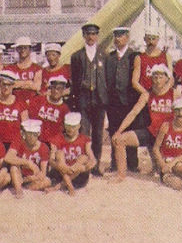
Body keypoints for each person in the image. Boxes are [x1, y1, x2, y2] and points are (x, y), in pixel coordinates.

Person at [110, 64, 174, 181]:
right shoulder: (147, 95)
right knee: (119, 140)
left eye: (160, 77)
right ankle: (121, 175)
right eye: (155, 77)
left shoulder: (174, 94)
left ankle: (159, 166)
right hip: (151, 133)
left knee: (166, 172)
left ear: (167, 78)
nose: (158, 80)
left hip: (168, 136)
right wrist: (119, 131)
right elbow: (133, 113)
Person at [69, 23, 108, 175]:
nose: (91, 37)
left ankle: (96, 164)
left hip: (99, 100)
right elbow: (74, 79)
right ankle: (84, 164)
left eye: (94, 34)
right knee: (84, 133)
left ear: (97, 36)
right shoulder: (76, 56)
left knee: (98, 133)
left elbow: (107, 79)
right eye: (88, 34)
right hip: (83, 100)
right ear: (83, 36)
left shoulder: (104, 55)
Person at [105, 26, 139, 172]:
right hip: (113, 103)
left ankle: (132, 164)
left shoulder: (134, 56)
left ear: (127, 37)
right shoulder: (109, 58)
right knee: (114, 131)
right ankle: (115, 163)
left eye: (121, 35)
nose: (118, 39)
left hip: (129, 102)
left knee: (129, 131)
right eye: (116, 36)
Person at [151, 97, 182, 190]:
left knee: (179, 166)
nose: (180, 114)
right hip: (165, 163)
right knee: (177, 185)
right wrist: (163, 165)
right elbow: (156, 148)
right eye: (177, 111)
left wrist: (174, 162)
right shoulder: (166, 126)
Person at [48, 112, 96, 195]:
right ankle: (70, 187)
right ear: (64, 126)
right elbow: (51, 160)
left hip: (79, 177)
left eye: (73, 127)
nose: (70, 129)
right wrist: (61, 166)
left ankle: (60, 186)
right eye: (68, 126)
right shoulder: (57, 139)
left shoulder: (85, 140)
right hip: (61, 174)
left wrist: (82, 168)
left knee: (83, 157)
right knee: (59, 153)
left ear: (79, 126)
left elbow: (93, 160)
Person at [4, 119, 52, 196]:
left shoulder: (43, 147)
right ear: (24, 134)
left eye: (34, 134)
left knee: (47, 181)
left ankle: (26, 188)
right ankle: (19, 190)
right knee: (13, 167)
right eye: (29, 134)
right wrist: (28, 163)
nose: (31, 137)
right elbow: (7, 157)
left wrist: (29, 179)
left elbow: (43, 173)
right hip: (19, 174)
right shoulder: (19, 142)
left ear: (38, 134)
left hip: (33, 177)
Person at [27, 76, 70, 146]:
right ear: (50, 88)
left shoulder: (65, 109)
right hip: (35, 140)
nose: (56, 91)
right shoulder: (39, 100)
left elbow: (63, 131)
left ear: (63, 90)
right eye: (54, 88)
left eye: (59, 88)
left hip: (52, 144)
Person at [132, 26, 171, 95]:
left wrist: (163, 93)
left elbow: (170, 78)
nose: (151, 42)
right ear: (145, 39)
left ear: (158, 39)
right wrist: (146, 94)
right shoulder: (139, 58)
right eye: (148, 39)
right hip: (146, 96)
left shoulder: (166, 56)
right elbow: (135, 82)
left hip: (162, 96)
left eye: (153, 39)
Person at [9, 36, 42, 106]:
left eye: (25, 48)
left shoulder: (37, 68)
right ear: (17, 49)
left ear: (30, 49)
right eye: (20, 48)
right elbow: (8, 85)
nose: (22, 50)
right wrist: (29, 83)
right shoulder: (10, 68)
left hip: (32, 103)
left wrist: (17, 83)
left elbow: (37, 87)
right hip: (14, 103)